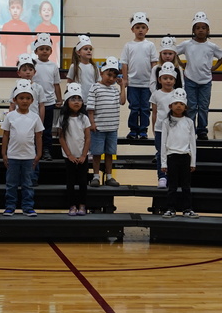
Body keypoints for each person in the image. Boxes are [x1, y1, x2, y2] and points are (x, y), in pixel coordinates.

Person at [177, 12, 222, 140]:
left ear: (208, 30)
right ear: (193, 30)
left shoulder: (211, 46)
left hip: (206, 81)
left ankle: (202, 130)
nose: (200, 30)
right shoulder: (187, 44)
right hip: (190, 80)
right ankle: (190, 128)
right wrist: (181, 64)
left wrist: (214, 68)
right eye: (197, 28)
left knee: (203, 106)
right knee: (191, 106)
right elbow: (174, 51)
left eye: (203, 28)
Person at [1, 79, 44, 217]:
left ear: (32, 100)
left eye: (27, 98)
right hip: (13, 156)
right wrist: (4, 154)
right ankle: (10, 206)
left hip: (28, 157)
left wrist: (38, 154)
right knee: (11, 184)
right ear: (15, 100)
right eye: (21, 98)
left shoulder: (35, 117)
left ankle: (28, 206)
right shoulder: (10, 116)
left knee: (27, 184)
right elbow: (5, 136)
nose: (24, 101)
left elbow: (38, 137)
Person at [87, 56, 125, 187]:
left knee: (110, 153)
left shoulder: (114, 90)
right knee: (97, 154)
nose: (111, 79)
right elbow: (90, 108)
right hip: (99, 128)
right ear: (101, 73)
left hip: (112, 128)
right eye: (109, 75)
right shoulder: (95, 88)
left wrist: (122, 86)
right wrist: (92, 123)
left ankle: (109, 176)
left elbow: (123, 101)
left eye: (114, 77)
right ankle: (96, 176)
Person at [159, 88, 197, 219]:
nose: (179, 106)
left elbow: (192, 143)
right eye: (176, 103)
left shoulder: (189, 122)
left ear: (185, 107)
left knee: (186, 186)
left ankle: (187, 208)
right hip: (172, 157)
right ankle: (170, 208)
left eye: (181, 104)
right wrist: (164, 162)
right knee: (172, 186)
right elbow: (163, 143)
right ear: (171, 106)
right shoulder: (166, 122)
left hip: (185, 157)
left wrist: (193, 161)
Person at [121, 11, 159, 140]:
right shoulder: (128, 46)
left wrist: (154, 80)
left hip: (147, 83)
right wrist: (125, 79)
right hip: (133, 83)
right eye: (137, 27)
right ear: (132, 29)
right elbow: (124, 64)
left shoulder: (150, 45)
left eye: (143, 27)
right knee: (134, 107)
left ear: (147, 29)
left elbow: (154, 63)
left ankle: (143, 130)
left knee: (144, 108)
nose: (140, 30)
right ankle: (133, 130)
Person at [59, 83, 91, 216]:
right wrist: (69, 155)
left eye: (79, 99)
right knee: (71, 182)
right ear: (67, 102)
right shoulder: (62, 119)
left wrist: (83, 155)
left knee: (83, 182)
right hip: (69, 157)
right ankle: (72, 205)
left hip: (82, 156)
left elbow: (88, 138)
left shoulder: (84, 118)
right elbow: (61, 138)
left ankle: (82, 205)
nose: (76, 102)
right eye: (73, 99)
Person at [32, 33, 61, 161]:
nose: (44, 51)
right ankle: (33, 149)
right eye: (41, 49)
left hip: (49, 102)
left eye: (47, 49)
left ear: (51, 51)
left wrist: (59, 99)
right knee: (33, 128)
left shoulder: (53, 66)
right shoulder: (32, 65)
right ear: (36, 51)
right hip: (33, 103)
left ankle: (46, 150)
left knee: (47, 129)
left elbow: (56, 84)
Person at [150, 62, 179, 188]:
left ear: (175, 80)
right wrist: (154, 128)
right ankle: (162, 177)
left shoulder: (178, 93)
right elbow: (155, 113)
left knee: (173, 153)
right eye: (165, 78)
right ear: (159, 79)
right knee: (161, 153)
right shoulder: (156, 94)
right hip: (160, 129)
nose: (168, 81)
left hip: (174, 130)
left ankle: (172, 176)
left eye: (171, 79)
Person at [0, 0, 32, 67]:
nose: (15, 10)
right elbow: (3, 46)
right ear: (9, 10)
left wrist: (28, 61)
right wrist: (3, 64)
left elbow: (28, 45)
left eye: (18, 8)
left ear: (22, 10)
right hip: (9, 63)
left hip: (23, 63)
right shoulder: (6, 26)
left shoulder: (25, 26)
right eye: (13, 8)